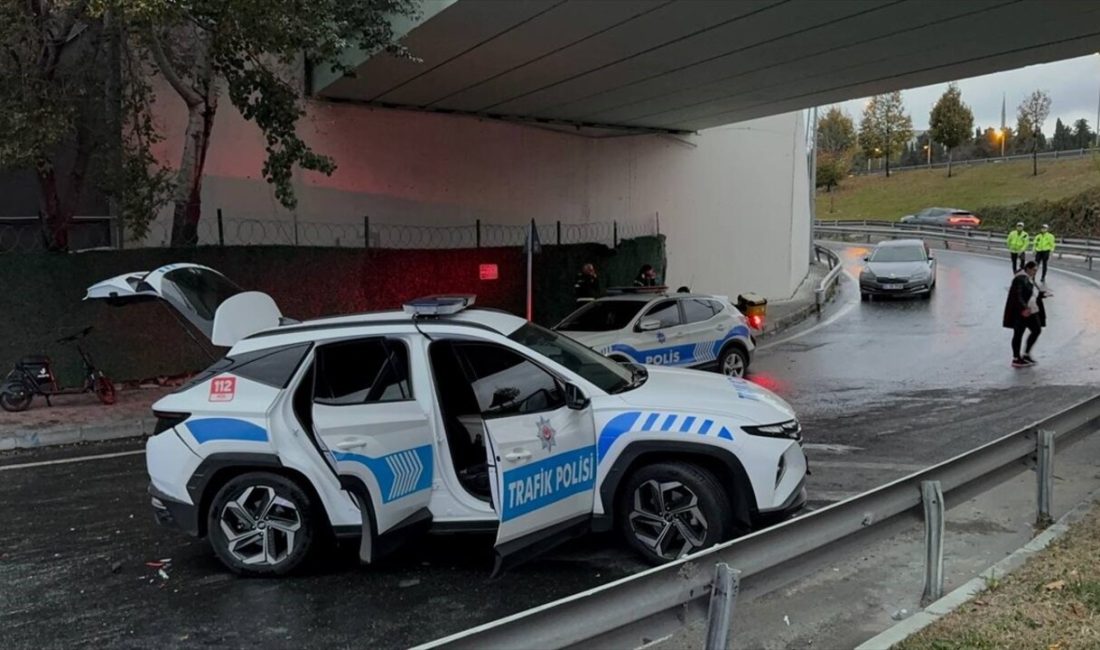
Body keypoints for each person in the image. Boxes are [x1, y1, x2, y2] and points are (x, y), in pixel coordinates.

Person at [1003, 261, 1047, 367]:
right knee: (1018, 334)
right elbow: (1017, 295)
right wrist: (1024, 308)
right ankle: (1016, 358)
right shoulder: (1020, 278)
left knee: (1036, 330)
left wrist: (1041, 295)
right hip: (1022, 312)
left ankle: (1026, 354)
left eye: (1036, 270)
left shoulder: (1029, 278)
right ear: (1028, 268)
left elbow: (1031, 292)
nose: (1035, 272)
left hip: (1031, 309)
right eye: (1034, 270)